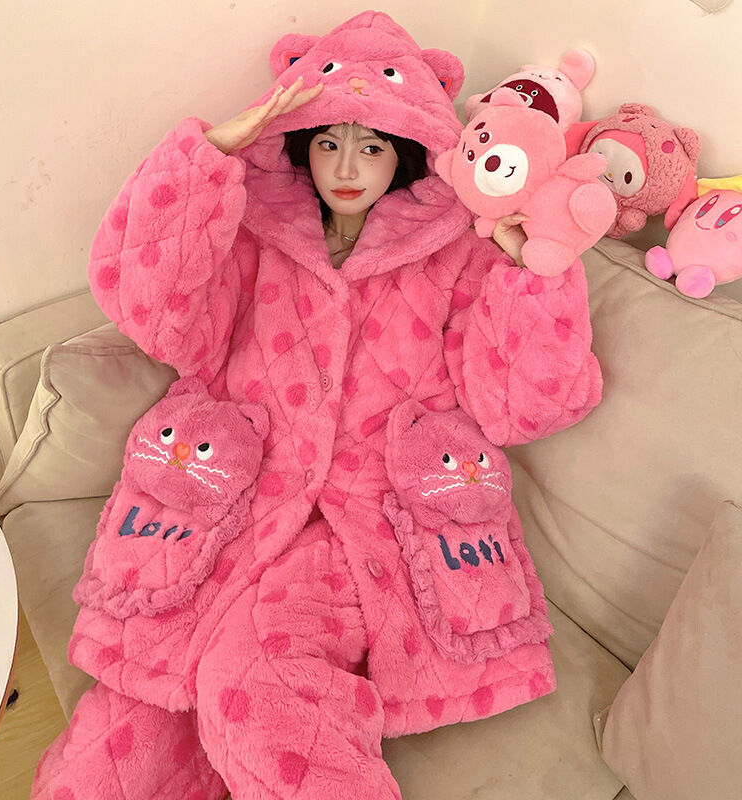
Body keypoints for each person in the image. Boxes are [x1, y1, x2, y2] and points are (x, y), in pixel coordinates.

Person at [32, 11, 602, 800]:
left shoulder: (459, 252)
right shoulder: (250, 236)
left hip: (364, 523)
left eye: (372, 147)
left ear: (406, 151)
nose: (348, 166)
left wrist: (534, 273)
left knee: (253, 680)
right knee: (119, 742)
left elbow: (522, 408)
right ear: (300, 144)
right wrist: (209, 154)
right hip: (233, 502)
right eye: (329, 143)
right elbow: (147, 307)